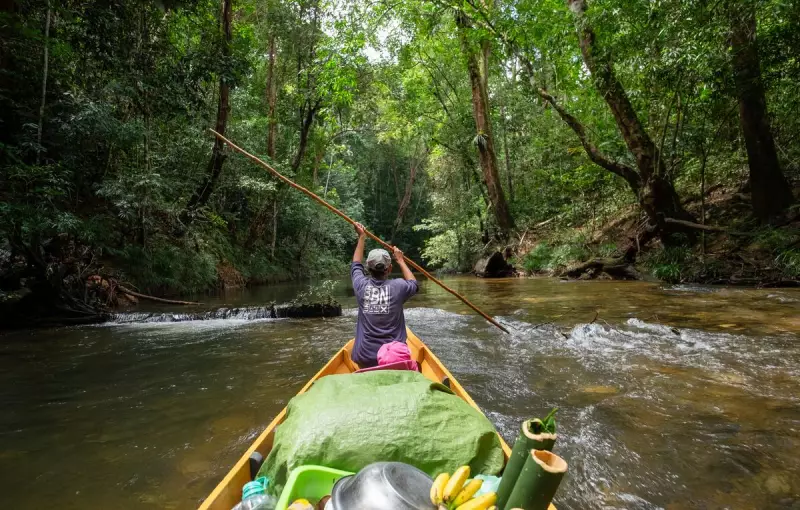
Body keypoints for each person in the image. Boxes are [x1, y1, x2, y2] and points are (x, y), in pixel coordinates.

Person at [350, 222, 418, 368]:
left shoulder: (360, 285)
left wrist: (361, 237)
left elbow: (356, 264)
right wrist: (401, 260)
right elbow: (413, 284)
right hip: (394, 358)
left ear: (368, 268)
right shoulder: (399, 286)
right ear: (389, 268)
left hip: (365, 356)